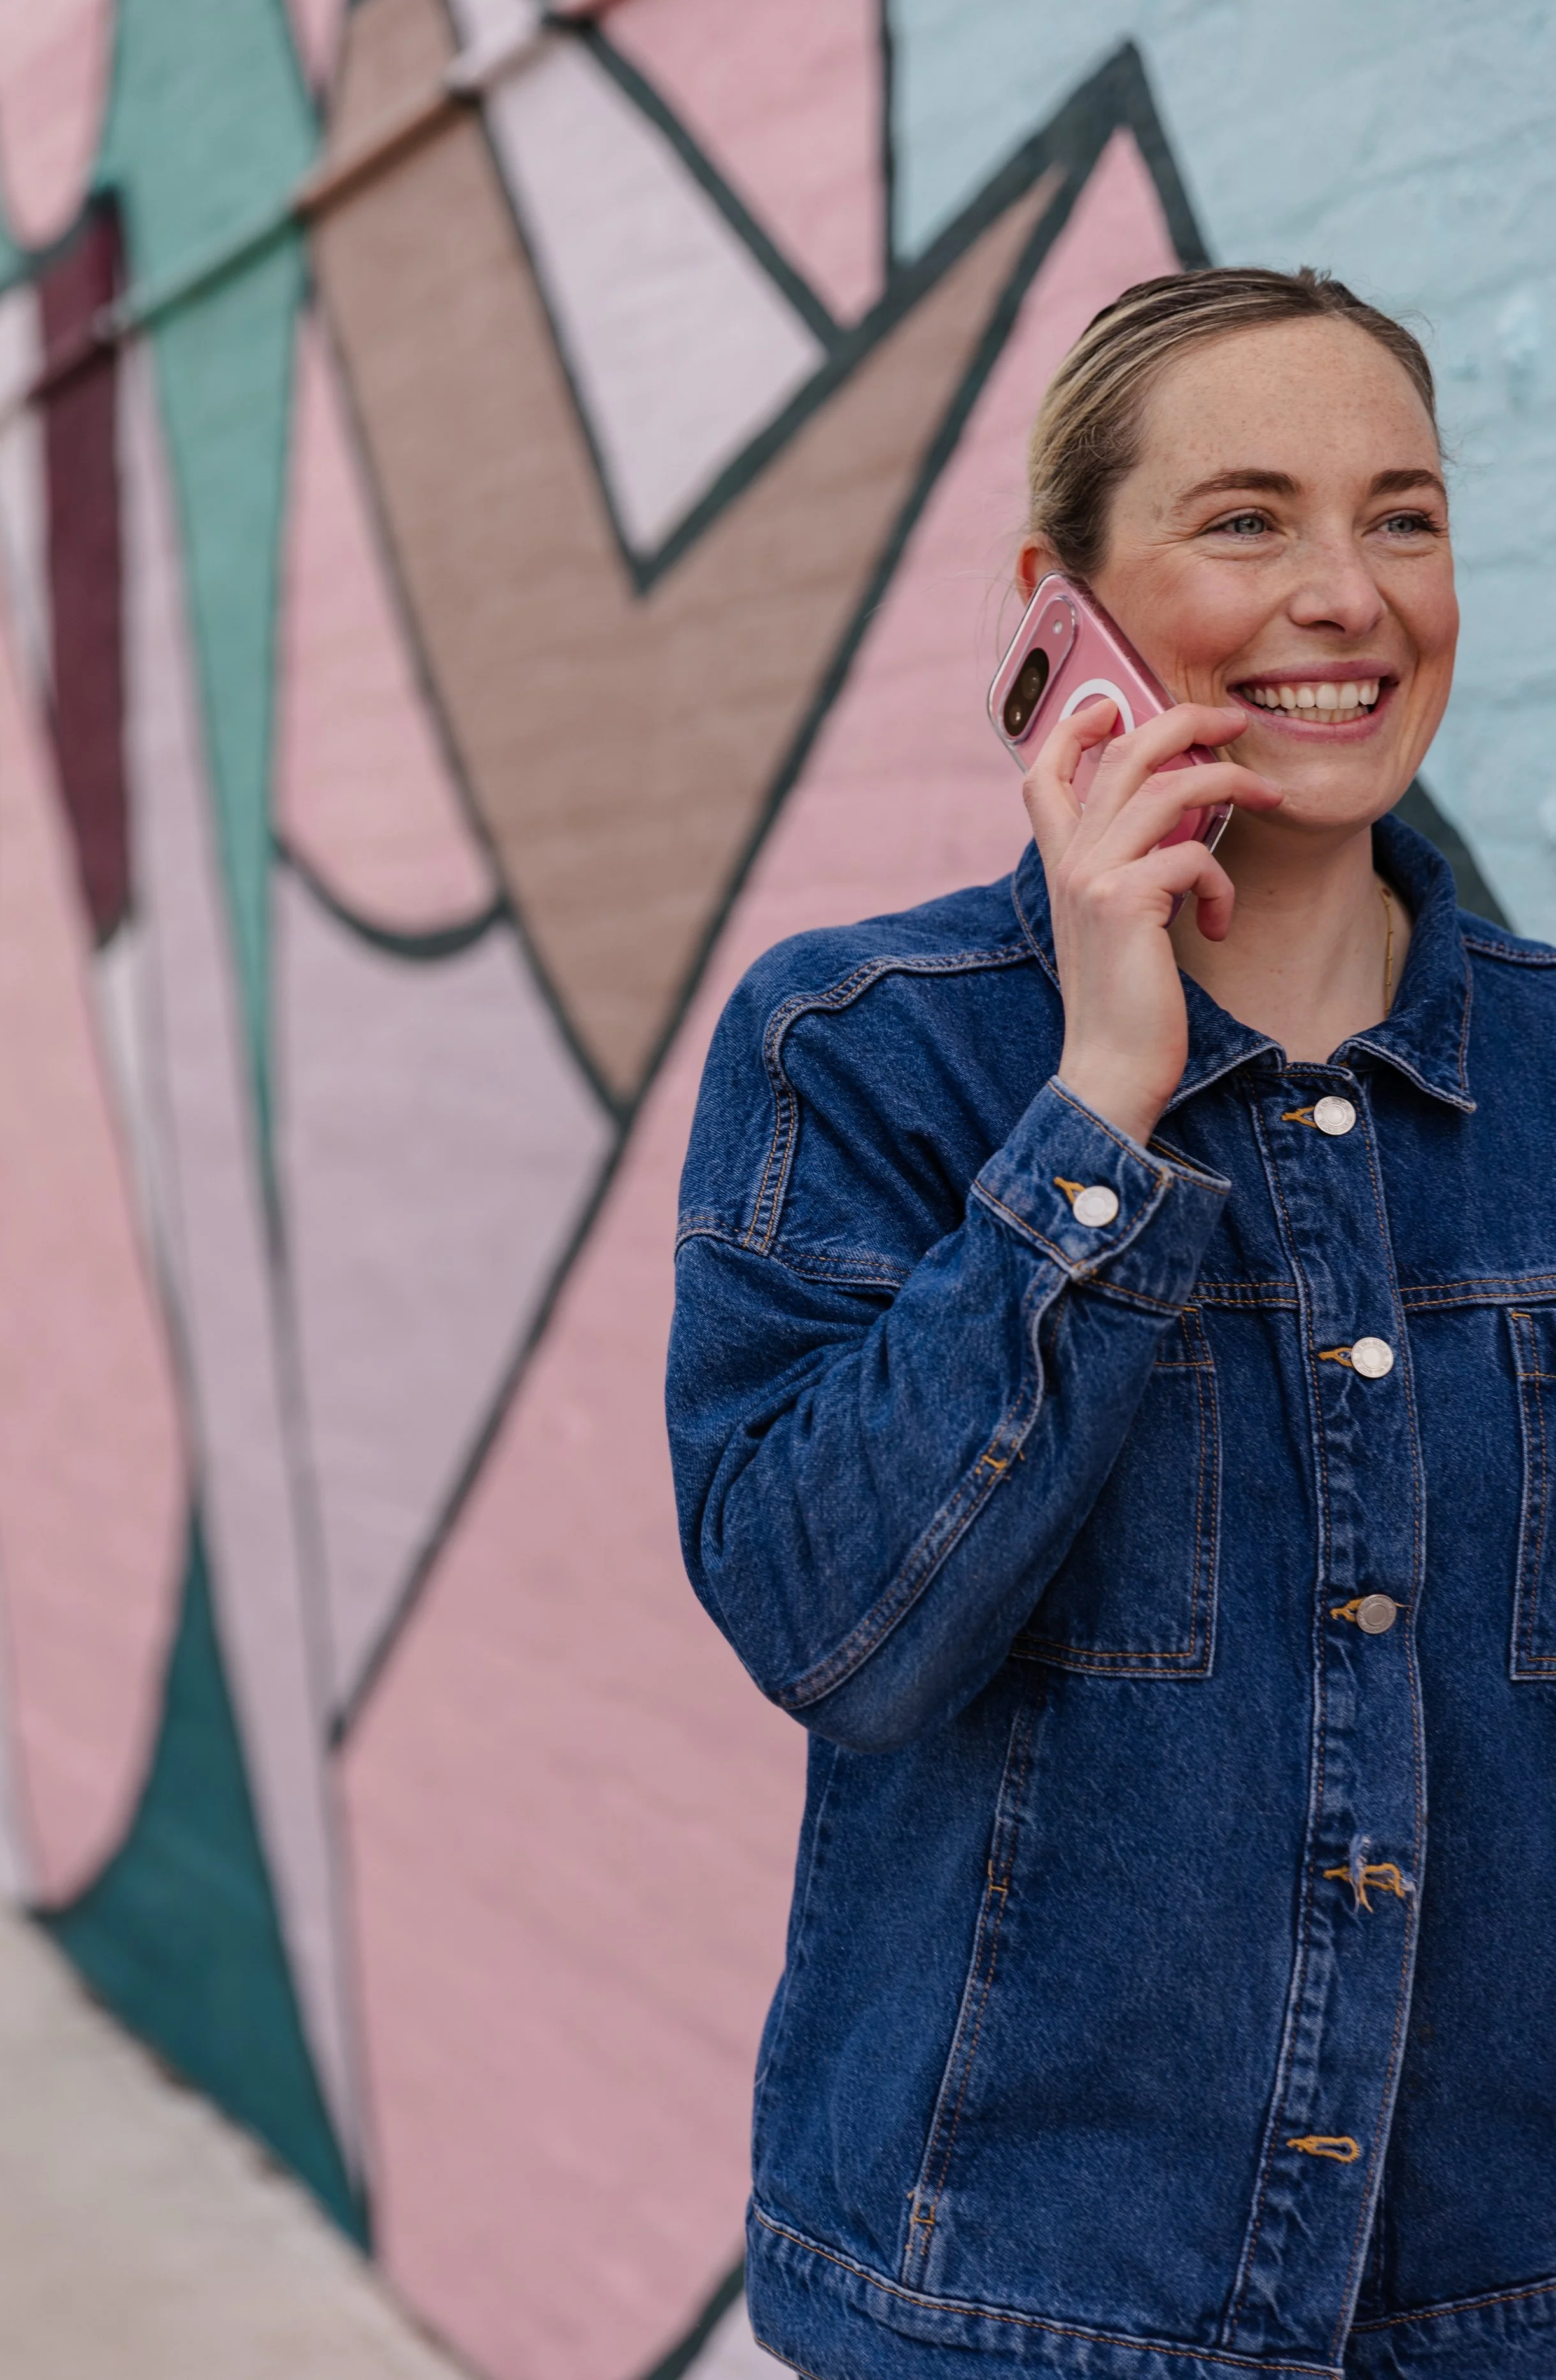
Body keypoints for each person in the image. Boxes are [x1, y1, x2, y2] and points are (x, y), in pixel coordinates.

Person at [666, 267, 1556, 2380]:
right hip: (1016, 2321)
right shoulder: (860, 1050)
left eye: (1402, 516)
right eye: (1244, 518)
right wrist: (1096, 1111)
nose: (1345, 593)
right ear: (1053, 604)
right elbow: (839, 1634)